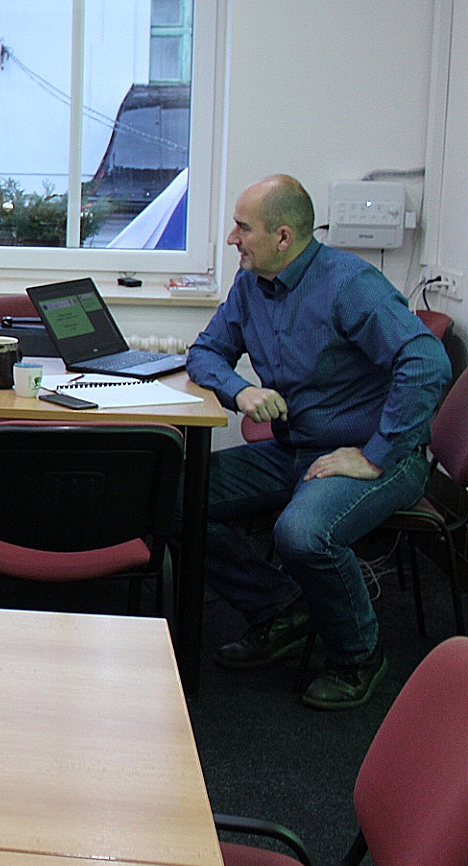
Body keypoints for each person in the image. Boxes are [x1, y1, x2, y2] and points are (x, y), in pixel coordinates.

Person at [187, 174, 450, 710]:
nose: (233, 238)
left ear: (283, 237)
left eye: (243, 227)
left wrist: (375, 456)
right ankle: (282, 610)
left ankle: (358, 656)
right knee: (174, 497)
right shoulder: (250, 285)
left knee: (303, 535)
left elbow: (427, 362)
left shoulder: (349, 284)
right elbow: (205, 352)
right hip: (295, 449)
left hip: (378, 455)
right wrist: (240, 391)